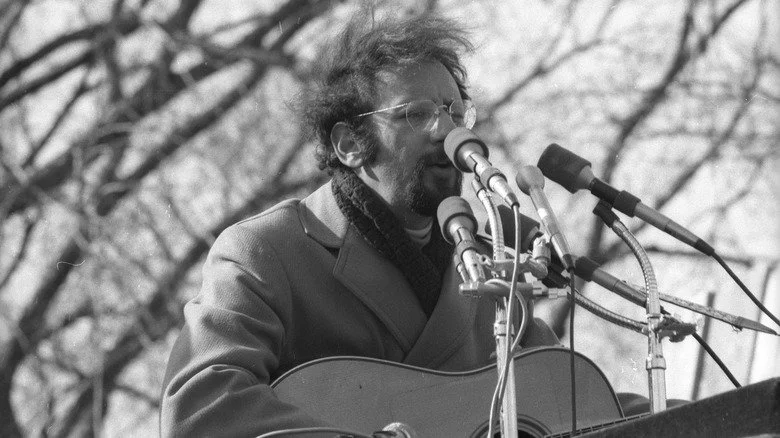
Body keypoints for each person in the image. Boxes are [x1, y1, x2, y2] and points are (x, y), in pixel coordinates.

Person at [160, 15, 615, 437]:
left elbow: (570, 402)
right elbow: (201, 405)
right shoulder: (265, 251)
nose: (448, 132)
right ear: (349, 144)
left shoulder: (490, 268)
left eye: (457, 113)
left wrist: (679, 417)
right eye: (417, 114)